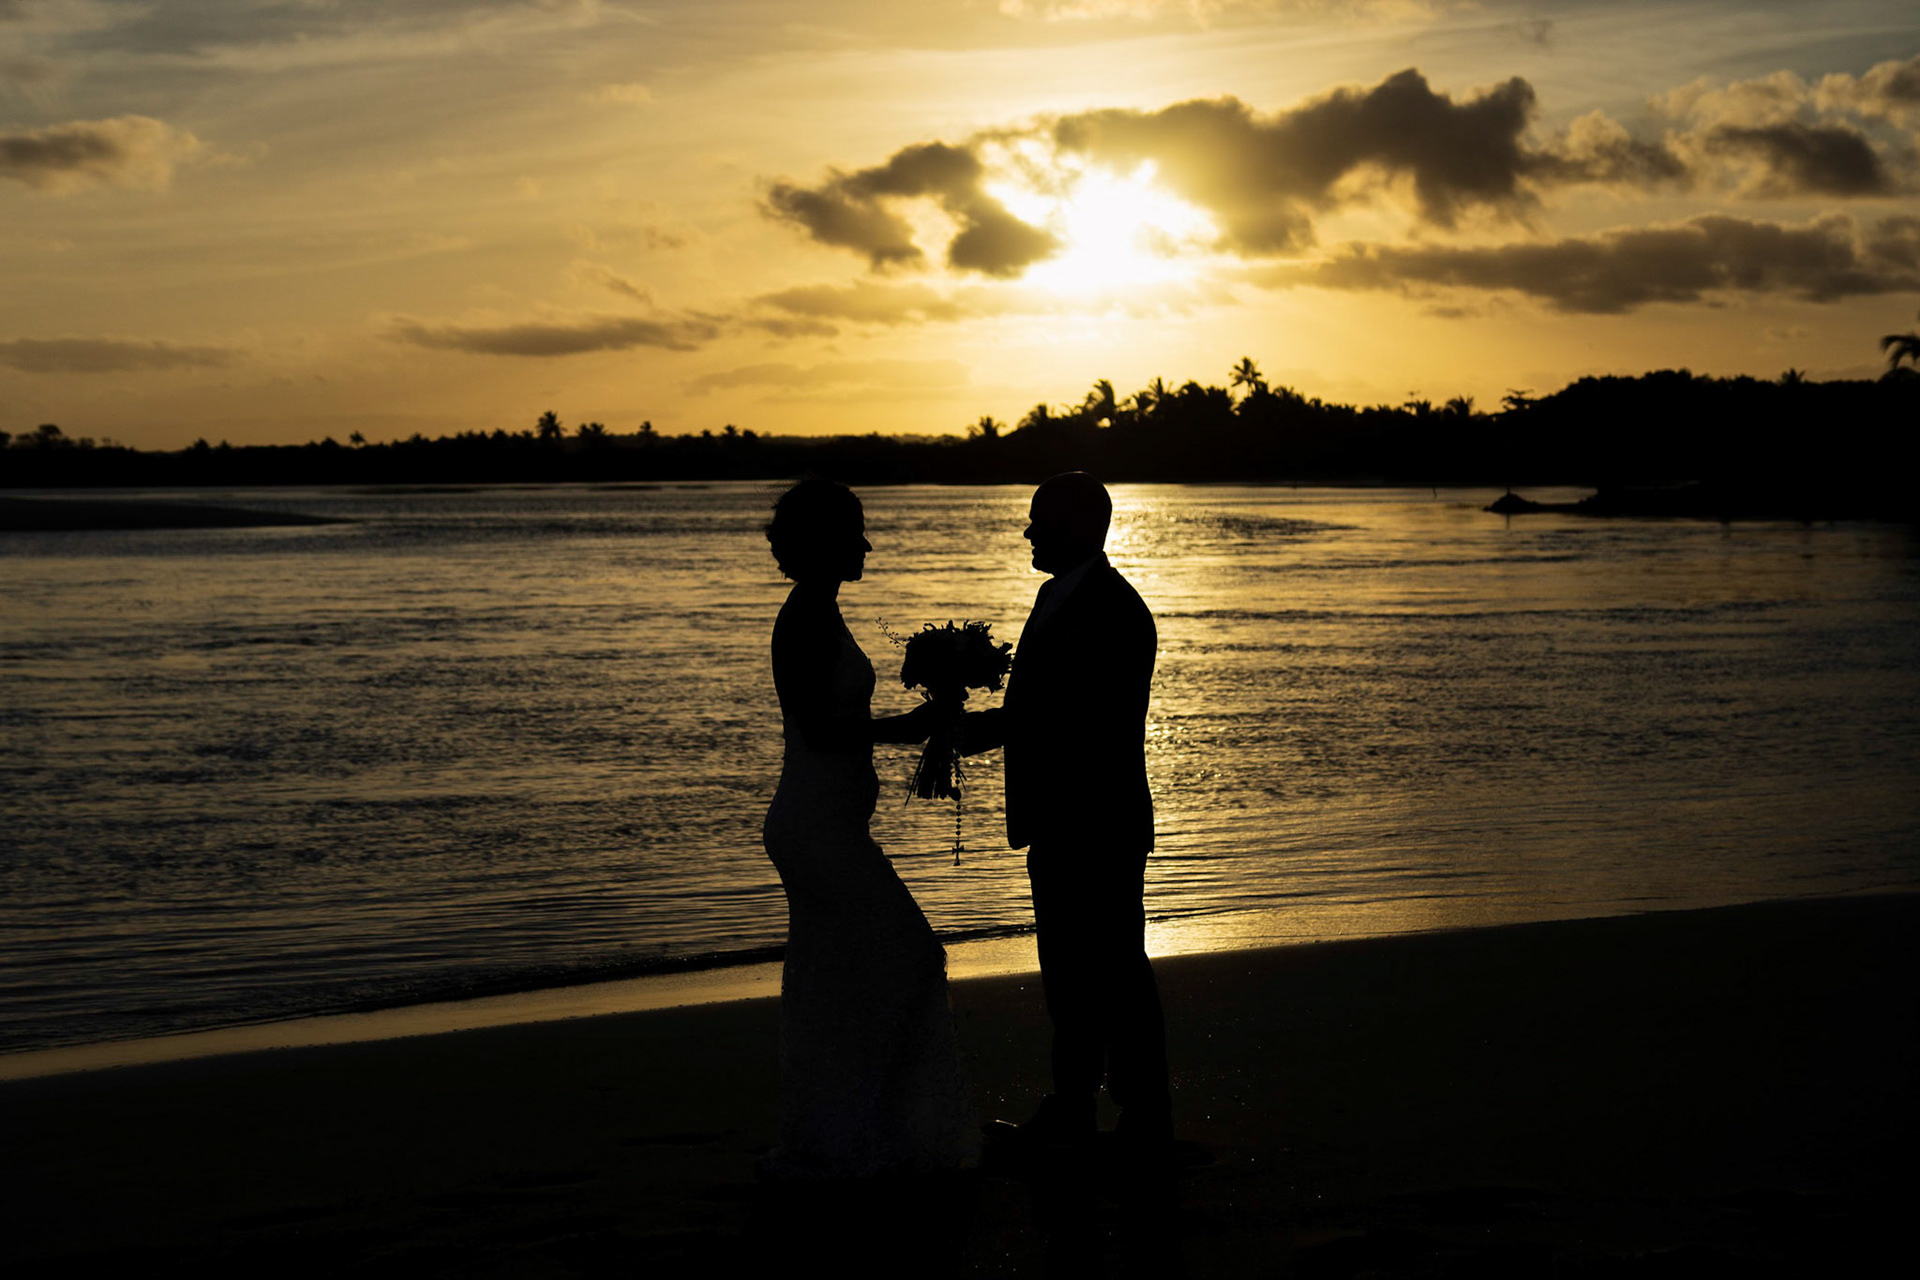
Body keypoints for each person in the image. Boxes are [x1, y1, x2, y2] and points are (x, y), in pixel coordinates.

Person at [760, 477, 980, 1178]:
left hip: (835, 826)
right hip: (814, 829)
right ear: (824, 541)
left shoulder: (823, 611)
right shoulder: (800, 619)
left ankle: (850, 1130)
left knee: (840, 976)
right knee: (911, 955)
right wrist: (906, 729)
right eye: (855, 532)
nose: (867, 544)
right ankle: (872, 1129)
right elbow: (821, 732)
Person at [963, 472, 1172, 1150]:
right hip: (1062, 820)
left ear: (1078, 528)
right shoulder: (1056, 596)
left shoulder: (1115, 611)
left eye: (1038, 521)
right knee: (1070, 972)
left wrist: (996, 729)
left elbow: (1083, 723)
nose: (1027, 532)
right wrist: (982, 727)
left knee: (1111, 971)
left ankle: (1135, 1114)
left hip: (1095, 821)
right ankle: (1080, 1108)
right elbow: (1041, 711)